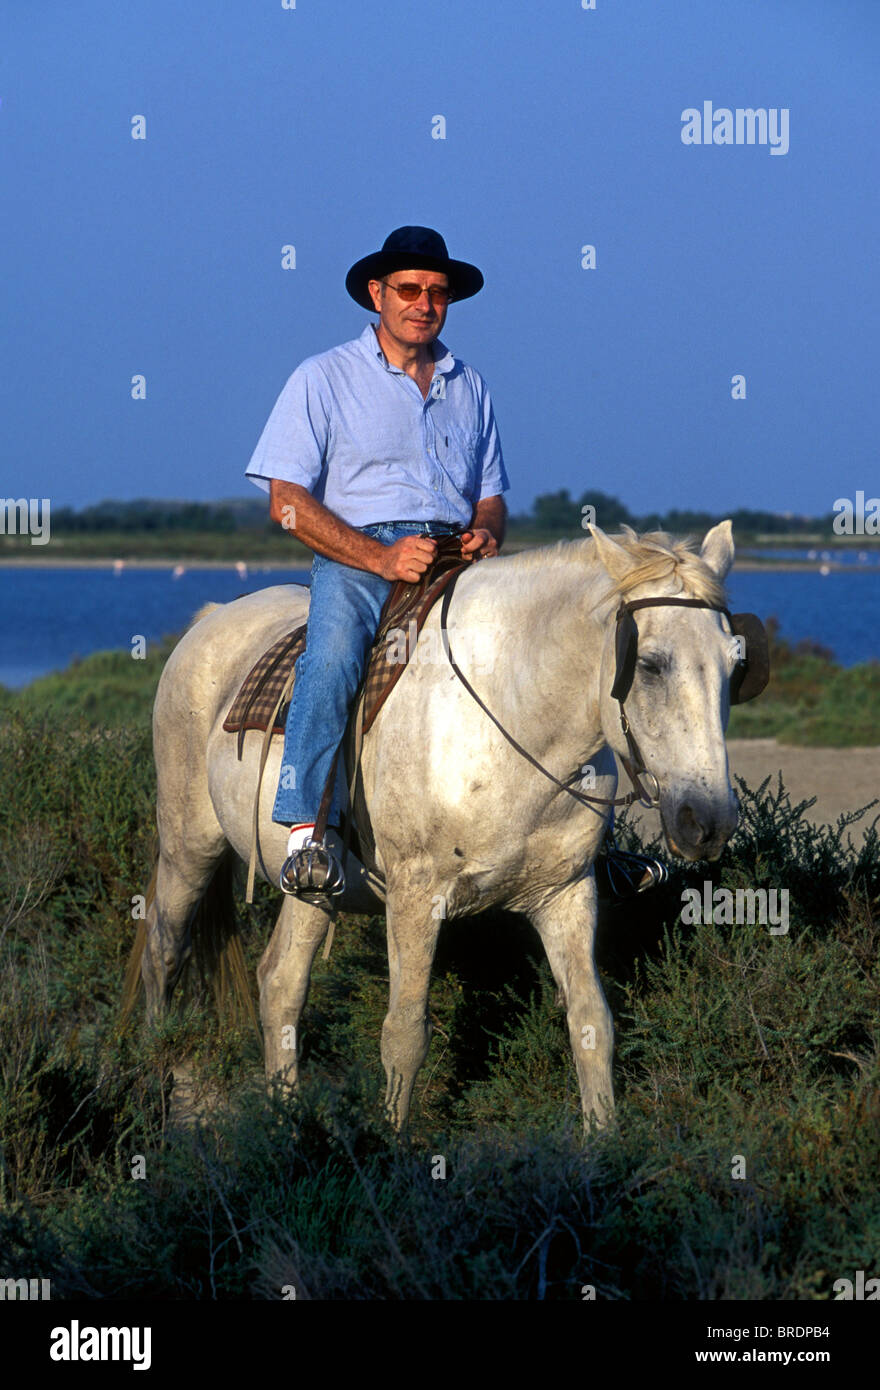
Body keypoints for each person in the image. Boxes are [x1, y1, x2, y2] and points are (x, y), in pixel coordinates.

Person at [246, 226, 509, 900]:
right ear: (376, 293)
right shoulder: (323, 377)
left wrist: (482, 531)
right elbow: (285, 502)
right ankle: (307, 830)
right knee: (333, 658)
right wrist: (381, 556)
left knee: (545, 645)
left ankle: (588, 841)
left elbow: (491, 497)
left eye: (438, 292)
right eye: (409, 289)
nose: (425, 303)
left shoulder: (470, 384)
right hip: (360, 554)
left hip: (454, 553)